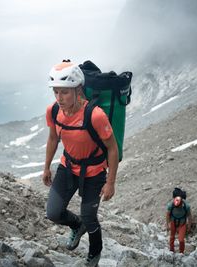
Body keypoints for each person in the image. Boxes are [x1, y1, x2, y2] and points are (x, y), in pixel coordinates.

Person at [43, 60, 119, 267]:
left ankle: (94, 254)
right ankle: (77, 226)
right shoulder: (53, 111)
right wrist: (46, 166)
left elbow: (113, 149)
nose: (59, 98)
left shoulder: (95, 115)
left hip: (94, 172)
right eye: (56, 92)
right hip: (68, 166)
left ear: (78, 90)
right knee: (53, 213)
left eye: (64, 92)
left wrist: (110, 182)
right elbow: (53, 139)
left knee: (90, 216)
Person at [166, 187, 192, 254]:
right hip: (173, 223)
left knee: (181, 240)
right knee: (172, 237)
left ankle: (181, 253)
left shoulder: (186, 206)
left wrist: (189, 225)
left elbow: (189, 215)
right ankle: (171, 250)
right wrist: (167, 224)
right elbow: (168, 215)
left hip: (182, 224)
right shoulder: (170, 205)